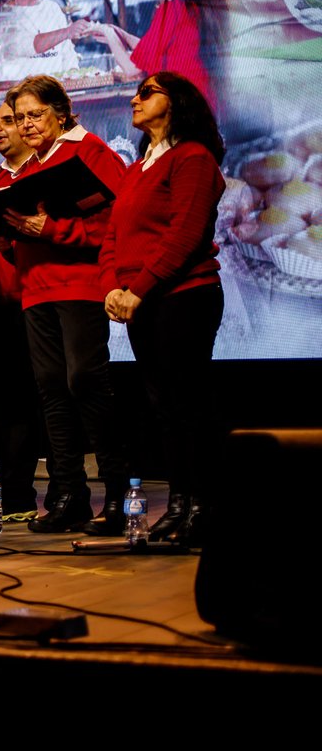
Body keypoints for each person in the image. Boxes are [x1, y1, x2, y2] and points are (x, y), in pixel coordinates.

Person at [0, 75, 128, 534]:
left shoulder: (89, 151)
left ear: (61, 113)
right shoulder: (30, 166)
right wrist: (4, 237)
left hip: (80, 286)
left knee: (86, 381)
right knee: (51, 389)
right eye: (19, 118)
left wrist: (50, 231)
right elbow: (29, 232)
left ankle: (117, 495)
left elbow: (113, 224)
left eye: (35, 115)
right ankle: (69, 494)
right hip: (36, 289)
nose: (26, 125)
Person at [101, 72, 227, 547]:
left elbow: (186, 233)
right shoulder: (138, 168)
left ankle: (205, 508)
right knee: (165, 408)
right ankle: (178, 505)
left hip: (184, 296)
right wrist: (113, 286)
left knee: (188, 405)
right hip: (143, 302)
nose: (135, 98)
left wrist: (139, 288)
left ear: (176, 103)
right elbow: (113, 236)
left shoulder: (192, 157)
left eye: (147, 92)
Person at [0, 101, 45, 522]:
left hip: (33, 303)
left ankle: (25, 494)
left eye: (9, 120)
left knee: (29, 403)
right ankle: (12, 493)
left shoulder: (38, 176)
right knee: (6, 405)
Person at [96, 0, 219, 109]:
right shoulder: (196, 4)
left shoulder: (171, 10)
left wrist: (107, 32)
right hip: (200, 108)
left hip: (182, 112)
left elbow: (131, 68)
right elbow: (153, 50)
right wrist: (119, 34)